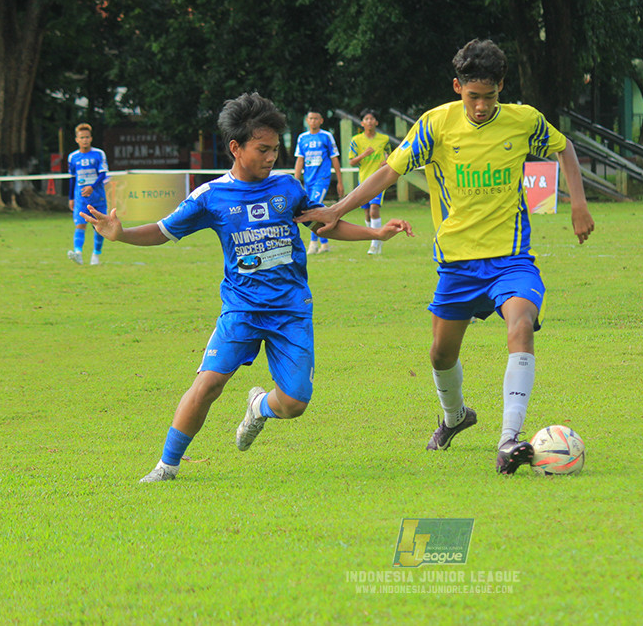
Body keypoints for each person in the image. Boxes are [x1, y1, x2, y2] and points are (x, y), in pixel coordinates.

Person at [80, 93, 412, 483]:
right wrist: (121, 235)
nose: (271, 157)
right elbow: (162, 231)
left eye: (275, 149)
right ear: (236, 148)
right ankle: (166, 466)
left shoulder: (288, 188)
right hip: (242, 308)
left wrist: (376, 233)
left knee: (294, 403)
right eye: (262, 150)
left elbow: (324, 224)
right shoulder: (211, 196)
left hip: (291, 309)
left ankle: (258, 407)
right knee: (208, 384)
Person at [298, 39, 594, 475]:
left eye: (489, 96)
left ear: (501, 87)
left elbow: (563, 147)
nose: (481, 106)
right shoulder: (435, 125)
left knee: (520, 325)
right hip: (456, 265)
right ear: (458, 87)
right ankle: (455, 417)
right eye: (473, 96)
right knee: (440, 355)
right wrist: (337, 209)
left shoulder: (523, 120)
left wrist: (578, 204)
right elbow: (389, 170)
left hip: (511, 259)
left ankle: (509, 439)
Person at [294, 111, 344, 254]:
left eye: (316, 118)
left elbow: (334, 158)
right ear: (307, 120)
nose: (313, 121)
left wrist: (339, 181)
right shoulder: (302, 138)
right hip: (308, 180)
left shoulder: (326, 136)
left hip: (322, 179)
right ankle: (325, 244)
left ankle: (313, 243)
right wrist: (296, 181)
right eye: (311, 118)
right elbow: (300, 160)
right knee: (313, 209)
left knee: (313, 210)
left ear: (321, 120)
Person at [348, 108, 392, 255]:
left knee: (374, 209)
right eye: (366, 119)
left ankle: (375, 244)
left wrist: (386, 161)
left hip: (379, 179)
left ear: (376, 122)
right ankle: (375, 239)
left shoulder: (384, 139)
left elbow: (390, 155)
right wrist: (364, 154)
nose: (369, 121)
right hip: (364, 180)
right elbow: (351, 162)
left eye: (372, 119)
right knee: (367, 213)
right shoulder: (356, 140)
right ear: (362, 123)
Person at [67, 123, 112, 265]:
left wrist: (92, 187)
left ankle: (96, 255)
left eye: (87, 137)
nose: (85, 140)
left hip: (98, 198)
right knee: (80, 225)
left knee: (99, 227)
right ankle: (78, 254)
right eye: (82, 137)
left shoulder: (99, 154)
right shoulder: (72, 157)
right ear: (77, 139)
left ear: (91, 138)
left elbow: (103, 174)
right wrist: (71, 198)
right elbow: (72, 178)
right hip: (81, 199)